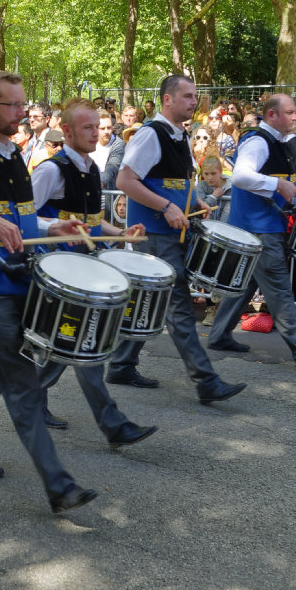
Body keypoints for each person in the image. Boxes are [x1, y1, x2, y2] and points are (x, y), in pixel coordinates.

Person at [0, 69, 102, 516]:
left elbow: (21, 218)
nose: (22, 113)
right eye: (13, 105)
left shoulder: (13, 153)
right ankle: (59, 485)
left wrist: (53, 225)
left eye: (23, 104)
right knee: (23, 382)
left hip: (20, 279)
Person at [31, 97, 157, 446]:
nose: (96, 133)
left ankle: (32, 398)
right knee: (85, 343)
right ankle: (113, 424)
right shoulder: (51, 169)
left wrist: (119, 234)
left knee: (70, 341)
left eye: (98, 127)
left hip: (84, 267)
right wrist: (55, 226)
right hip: (60, 270)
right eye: (87, 128)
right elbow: (24, 218)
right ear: (67, 131)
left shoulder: (91, 168)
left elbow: (91, 221)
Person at [113, 74, 247, 402]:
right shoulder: (151, 134)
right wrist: (166, 206)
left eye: (194, 96)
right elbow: (125, 180)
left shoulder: (178, 135)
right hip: (155, 236)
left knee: (151, 302)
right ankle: (206, 381)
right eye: (187, 96)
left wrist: (193, 203)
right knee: (178, 307)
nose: (193, 101)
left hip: (168, 233)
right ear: (167, 99)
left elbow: (171, 184)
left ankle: (121, 363)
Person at [205, 94, 296, 368]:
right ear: (271, 115)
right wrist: (279, 187)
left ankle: (218, 335)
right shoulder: (259, 141)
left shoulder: (278, 143)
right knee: (280, 290)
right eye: (289, 113)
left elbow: (275, 184)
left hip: (257, 226)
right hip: (260, 229)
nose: (295, 117)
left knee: (244, 285)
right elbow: (241, 176)